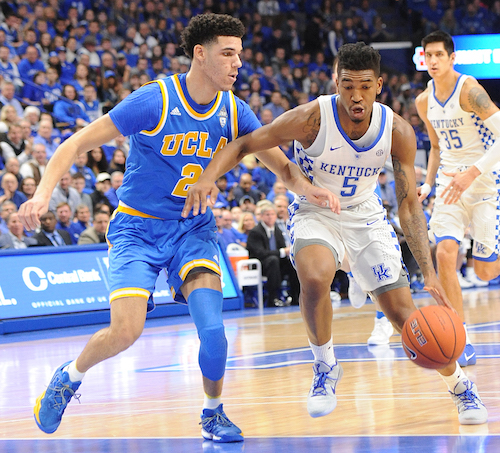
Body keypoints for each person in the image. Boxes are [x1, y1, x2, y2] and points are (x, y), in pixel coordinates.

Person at [18, 14, 335, 443]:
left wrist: (311, 190)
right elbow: (75, 144)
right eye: (228, 53)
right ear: (199, 55)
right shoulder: (154, 100)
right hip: (138, 230)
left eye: (239, 54)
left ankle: (212, 412)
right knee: (125, 332)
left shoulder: (235, 110)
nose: (237, 63)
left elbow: (281, 166)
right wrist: (41, 195)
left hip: (193, 231)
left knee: (214, 333)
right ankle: (68, 377)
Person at [183, 42, 488, 425]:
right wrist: (208, 177)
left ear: (379, 85)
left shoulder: (397, 131)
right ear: (335, 81)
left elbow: (409, 206)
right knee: (313, 275)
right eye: (347, 85)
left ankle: (461, 386)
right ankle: (325, 366)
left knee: (405, 316)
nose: (355, 96)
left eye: (364, 86)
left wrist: (427, 271)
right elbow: (246, 142)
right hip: (316, 211)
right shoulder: (312, 118)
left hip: (365, 216)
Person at [415, 30, 500, 368]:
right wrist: (429, 183)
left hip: (484, 186)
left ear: (452, 58)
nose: (433, 61)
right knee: (445, 252)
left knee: (483, 272)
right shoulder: (423, 101)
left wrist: (472, 173)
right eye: (428, 55)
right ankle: (459, 337)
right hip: (451, 185)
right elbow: (435, 147)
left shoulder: (470, 91)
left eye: (439, 55)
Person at [246, 202, 300, 307]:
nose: (270, 217)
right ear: (261, 216)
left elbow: (282, 248)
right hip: (260, 264)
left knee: (292, 262)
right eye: (267, 214)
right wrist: (282, 251)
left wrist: (286, 252)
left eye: (272, 214)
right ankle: (273, 298)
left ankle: (295, 296)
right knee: (273, 260)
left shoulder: (277, 230)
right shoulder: (255, 232)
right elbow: (260, 253)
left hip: (275, 262)